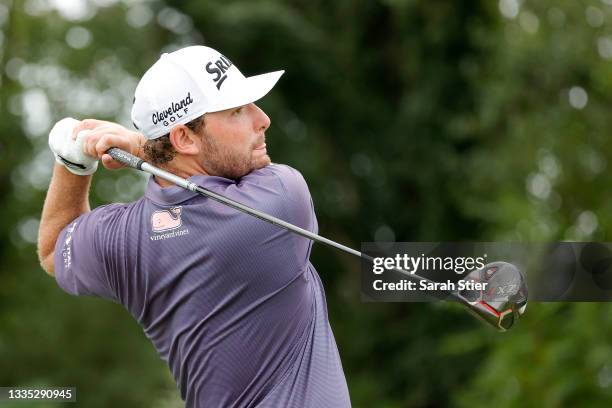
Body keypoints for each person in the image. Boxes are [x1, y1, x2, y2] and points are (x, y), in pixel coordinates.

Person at [37, 45, 351, 407]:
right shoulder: (279, 202)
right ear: (184, 137)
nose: (261, 119)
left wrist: (72, 161)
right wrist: (139, 146)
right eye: (237, 110)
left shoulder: (123, 238)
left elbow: (52, 247)